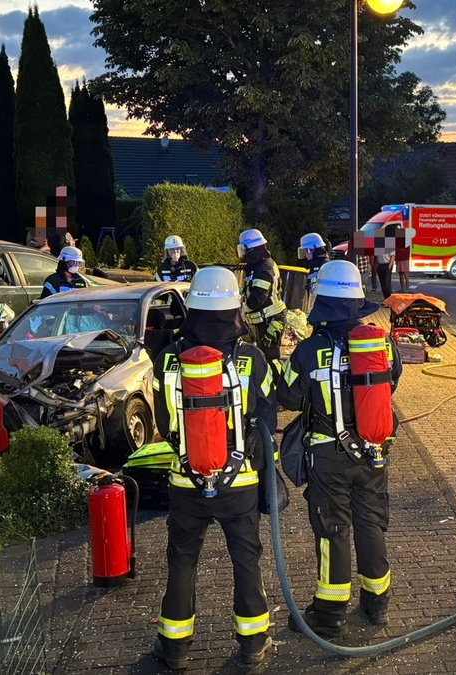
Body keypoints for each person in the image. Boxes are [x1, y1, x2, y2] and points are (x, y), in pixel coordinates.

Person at [151, 266, 277, 670]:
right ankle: (253, 643)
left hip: (185, 483)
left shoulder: (167, 359)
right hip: (239, 484)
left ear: (191, 309)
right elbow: (268, 417)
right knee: (245, 559)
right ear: (235, 309)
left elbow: (163, 421)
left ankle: (174, 648)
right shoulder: (251, 358)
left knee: (182, 560)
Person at [278, 260, 402, 639]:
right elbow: (392, 381)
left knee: (332, 530)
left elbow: (287, 396)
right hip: (373, 451)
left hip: (328, 456)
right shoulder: (381, 343)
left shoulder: (309, 350)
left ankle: (329, 614)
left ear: (323, 302)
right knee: (371, 522)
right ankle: (377, 603)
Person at [239, 228, 288, 364]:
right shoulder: (257, 266)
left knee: (271, 358)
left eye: (244, 250)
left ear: (251, 249)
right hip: (264, 320)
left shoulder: (264, 267)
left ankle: (277, 378)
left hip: (271, 320)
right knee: (263, 358)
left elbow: (258, 297)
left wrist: (242, 309)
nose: (243, 254)